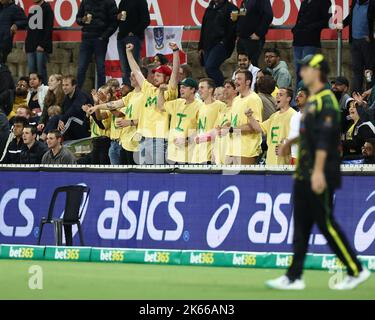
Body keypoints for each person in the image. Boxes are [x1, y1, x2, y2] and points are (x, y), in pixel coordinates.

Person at [266, 54, 370, 290]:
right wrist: (289, 141)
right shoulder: (313, 101)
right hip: (305, 170)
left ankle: (356, 269)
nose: (302, 72)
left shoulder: (326, 102)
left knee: (325, 224)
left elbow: (325, 140)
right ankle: (293, 277)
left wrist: (318, 172)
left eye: (307, 69)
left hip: (318, 171)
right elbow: (308, 133)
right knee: (301, 224)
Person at [126, 42, 180, 165]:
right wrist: (128, 53)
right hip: (143, 138)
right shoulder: (148, 88)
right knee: (145, 176)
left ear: (166, 78)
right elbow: (136, 70)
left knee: (158, 175)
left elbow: (175, 73)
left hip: (159, 139)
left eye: (159, 75)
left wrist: (176, 51)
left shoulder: (169, 90)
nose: (155, 77)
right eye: (154, 75)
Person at [246, 87, 296, 165]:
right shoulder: (274, 116)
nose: (277, 96)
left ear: (288, 98)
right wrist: (250, 117)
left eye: (281, 94)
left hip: (285, 162)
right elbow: (259, 128)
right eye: (277, 94)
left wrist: (286, 145)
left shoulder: (293, 115)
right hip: (270, 161)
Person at [157, 78, 201, 164]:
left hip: (188, 154)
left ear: (192, 90)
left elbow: (202, 129)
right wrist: (161, 91)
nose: (181, 90)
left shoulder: (199, 106)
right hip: (172, 151)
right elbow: (161, 106)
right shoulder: (178, 102)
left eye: (184, 87)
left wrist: (188, 140)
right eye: (180, 87)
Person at [223, 70, 263, 165]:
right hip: (231, 149)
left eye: (239, 79)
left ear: (248, 82)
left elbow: (255, 126)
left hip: (246, 150)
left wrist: (232, 129)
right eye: (235, 79)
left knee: (243, 180)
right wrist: (225, 127)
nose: (236, 82)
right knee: (228, 180)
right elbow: (233, 122)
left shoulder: (254, 99)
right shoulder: (236, 100)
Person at [76, 0, 118, 89]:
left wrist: (103, 37)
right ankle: (75, 94)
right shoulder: (85, 1)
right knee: (81, 68)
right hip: (86, 39)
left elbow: (114, 22)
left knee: (100, 69)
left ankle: (100, 94)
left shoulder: (109, 2)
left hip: (100, 40)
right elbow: (78, 18)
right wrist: (82, 20)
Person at [199, 0, 238, 87]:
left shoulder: (232, 8)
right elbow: (204, 28)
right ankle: (215, 92)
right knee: (208, 69)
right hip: (207, 45)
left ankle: (222, 89)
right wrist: (200, 46)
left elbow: (233, 28)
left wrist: (223, 42)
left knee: (210, 67)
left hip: (222, 45)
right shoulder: (209, 8)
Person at [292, 0, 331, 84]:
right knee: (298, 71)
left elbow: (325, 21)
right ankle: (298, 95)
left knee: (307, 71)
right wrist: (295, 29)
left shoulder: (324, 2)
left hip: (311, 40)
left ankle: (308, 94)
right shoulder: (304, 2)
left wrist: (311, 28)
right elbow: (299, 19)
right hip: (298, 40)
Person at [341, 0, 375, 93]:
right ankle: (356, 98)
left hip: (367, 43)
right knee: (357, 71)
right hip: (354, 42)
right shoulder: (355, 2)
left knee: (369, 71)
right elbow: (350, 18)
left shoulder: (372, 4)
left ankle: (369, 98)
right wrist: (342, 24)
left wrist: (373, 35)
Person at [191, 78, 226, 164]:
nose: (199, 90)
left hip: (210, 154)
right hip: (197, 154)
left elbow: (219, 130)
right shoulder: (200, 106)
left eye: (202, 87)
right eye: (199, 88)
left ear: (210, 90)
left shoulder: (220, 106)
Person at [117, 0, 150, 87]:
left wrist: (133, 32)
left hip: (133, 38)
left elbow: (146, 21)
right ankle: (127, 91)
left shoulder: (141, 1)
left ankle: (136, 90)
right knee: (124, 68)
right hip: (121, 37)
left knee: (134, 67)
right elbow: (119, 20)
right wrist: (117, 17)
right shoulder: (123, 2)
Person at [234, 0, 273, 67]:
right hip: (242, 38)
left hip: (252, 39)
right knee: (242, 66)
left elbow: (268, 15)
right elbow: (243, 16)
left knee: (252, 66)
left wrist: (258, 33)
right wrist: (238, 33)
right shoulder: (245, 1)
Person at [25, 0, 54, 85]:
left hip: (41, 47)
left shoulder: (47, 8)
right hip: (30, 46)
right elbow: (29, 29)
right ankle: (33, 94)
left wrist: (42, 45)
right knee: (31, 73)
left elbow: (48, 28)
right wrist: (26, 44)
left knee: (41, 72)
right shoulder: (33, 9)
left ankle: (44, 94)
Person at [58, 75, 91, 141]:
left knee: (70, 118)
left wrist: (62, 119)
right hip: (75, 127)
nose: (64, 87)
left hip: (86, 127)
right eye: (63, 85)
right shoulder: (66, 97)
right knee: (55, 118)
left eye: (67, 85)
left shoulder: (81, 95)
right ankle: (45, 138)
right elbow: (63, 112)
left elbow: (74, 109)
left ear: (74, 85)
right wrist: (60, 120)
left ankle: (57, 139)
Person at [213, 79, 237, 164]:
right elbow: (216, 129)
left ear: (235, 90)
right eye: (224, 87)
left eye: (228, 87)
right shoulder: (222, 109)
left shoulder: (238, 108)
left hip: (231, 152)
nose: (225, 89)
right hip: (220, 152)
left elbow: (237, 127)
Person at [38, 74, 65, 139]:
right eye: (48, 81)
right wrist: (41, 122)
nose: (49, 82)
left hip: (59, 121)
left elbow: (63, 112)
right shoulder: (48, 96)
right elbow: (44, 113)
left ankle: (43, 138)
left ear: (59, 82)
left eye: (52, 80)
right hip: (49, 121)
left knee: (54, 118)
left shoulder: (64, 96)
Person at [288, 87, 309, 164]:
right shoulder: (294, 116)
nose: (297, 98)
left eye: (300, 96)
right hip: (294, 157)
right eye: (296, 96)